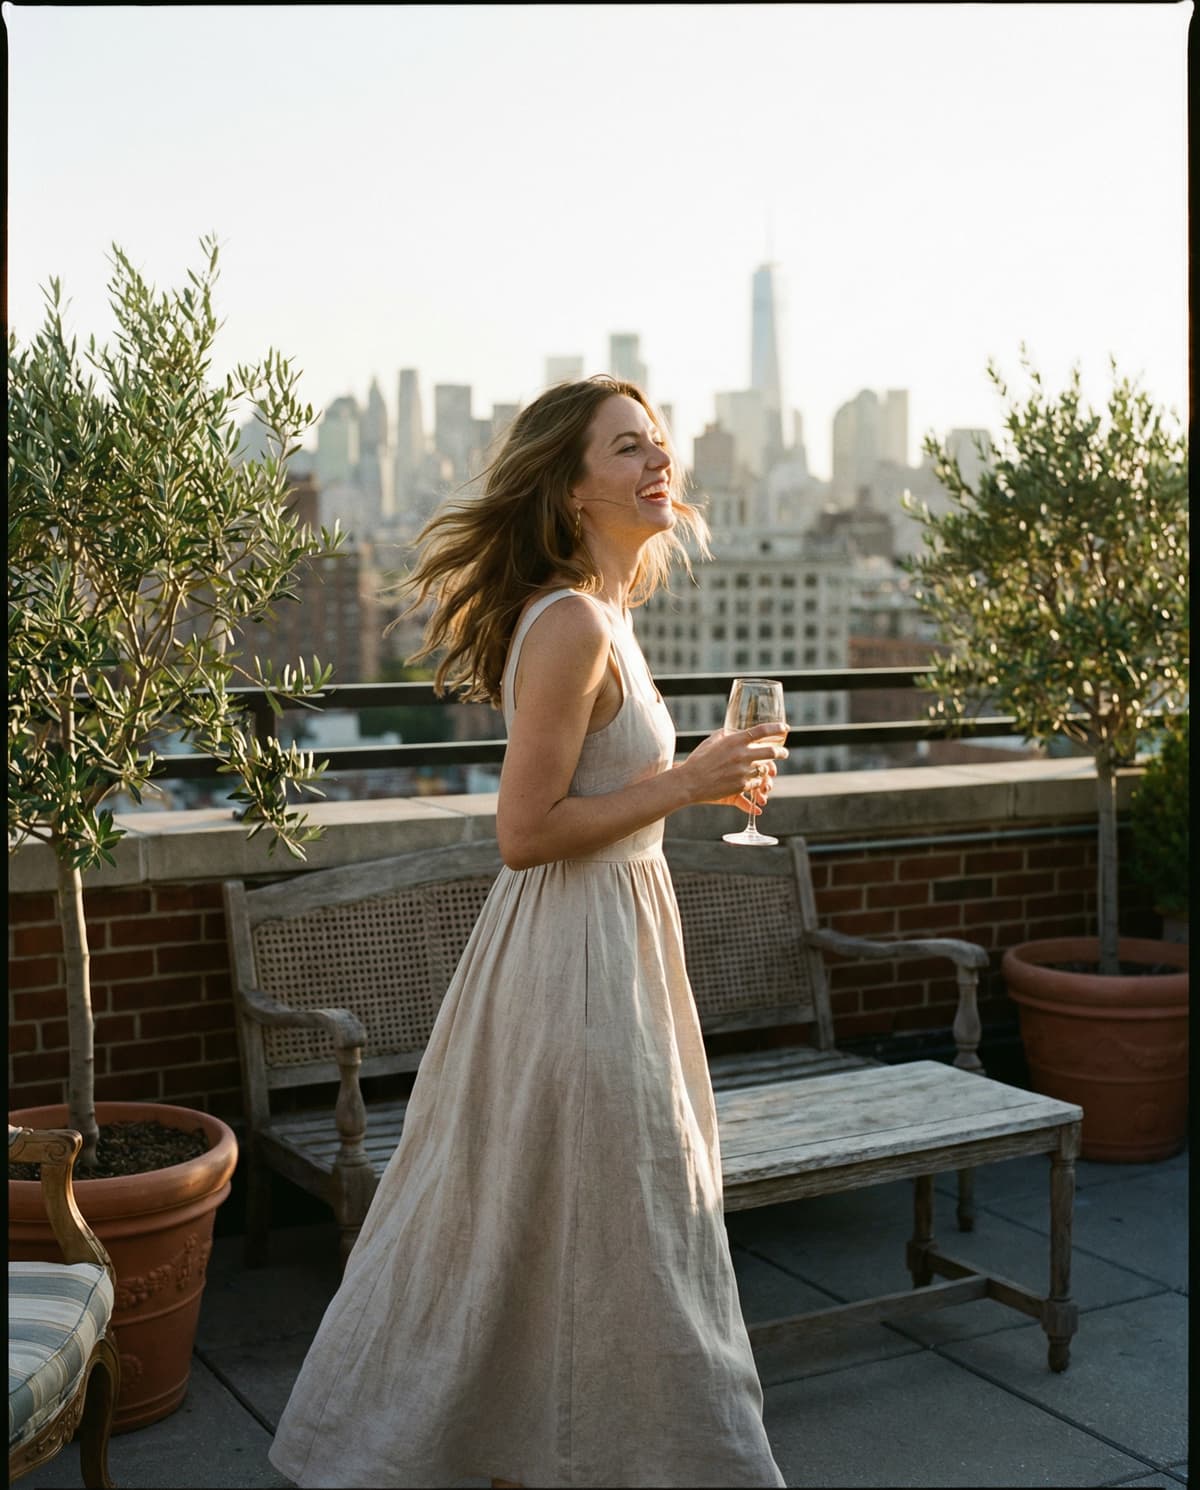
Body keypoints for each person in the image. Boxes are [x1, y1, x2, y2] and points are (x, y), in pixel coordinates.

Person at [268, 376, 789, 1490]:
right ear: (568, 485)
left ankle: (562, 1454)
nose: (660, 466)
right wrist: (689, 779)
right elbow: (523, 831)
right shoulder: (567, 623)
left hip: (618, 946)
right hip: (575, 964)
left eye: (660, 445)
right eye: (627, 449)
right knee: (630, 1227)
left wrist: (686, 782)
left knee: (587, 1225)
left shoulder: (607, 617)